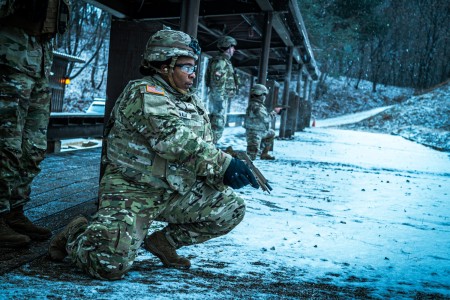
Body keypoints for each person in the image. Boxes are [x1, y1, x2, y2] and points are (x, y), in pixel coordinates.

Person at [48, 29, 259, 280]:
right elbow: (171, 139)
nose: (193, 74)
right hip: (134, 190)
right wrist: (224, 165)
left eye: (194, 68)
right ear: (164, 65)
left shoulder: (191, 101)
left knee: (231, 208)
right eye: (186, 67)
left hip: (174, 191)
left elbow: (201, 145)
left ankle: (163, 242)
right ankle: (77, 232)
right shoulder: (145, 92)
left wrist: (221, 172)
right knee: (108, 266)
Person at [0, 0, 70, 248]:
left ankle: (13, 212)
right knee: (6, 145)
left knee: (33, 147)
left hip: (39, 63)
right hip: (9, 61)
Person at [205, 35, 239, 144]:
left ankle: (210, 147)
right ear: (227, 47)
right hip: (218, 98)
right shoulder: (221, 62)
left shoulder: (224, 62)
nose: (234, 50)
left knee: (216, 124)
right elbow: (217, 83)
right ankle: (209, 149)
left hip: (219, 98)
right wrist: (219, 102)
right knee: (217, 125)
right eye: (233, 47)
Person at [244, 84, 283, 161]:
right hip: (254, 133)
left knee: (271, 133)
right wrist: (275, 112)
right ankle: (231, 155)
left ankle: (264, 154)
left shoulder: (257, 105)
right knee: (251, 156)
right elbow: (266, 119)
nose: (264, 97)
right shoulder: (256, 106)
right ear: (259, 94)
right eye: (264, 94)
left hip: (260, 131)